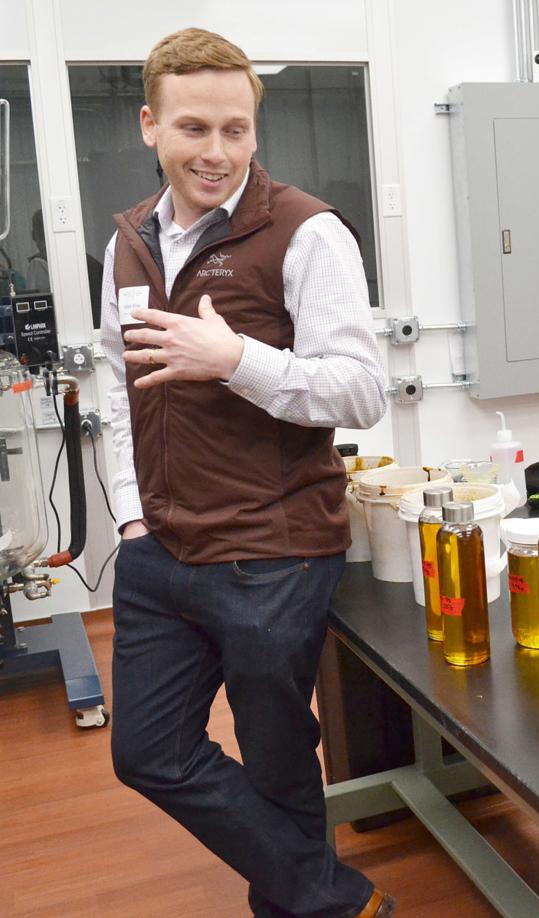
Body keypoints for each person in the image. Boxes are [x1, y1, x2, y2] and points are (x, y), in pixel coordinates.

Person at [99, 28, 390, 917]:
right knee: (147, 753)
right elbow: (118, 387)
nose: (215, 152)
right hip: (161, 552)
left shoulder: (307, 233)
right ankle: (328, 900)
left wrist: (237, 360)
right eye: (193, 128)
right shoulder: (129, 245)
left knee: (274, 755)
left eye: (236, 129)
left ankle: (298, 908)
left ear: (255, 131)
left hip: (272, 551)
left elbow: (361, 392)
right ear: (151, 125)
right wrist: (129, 516)